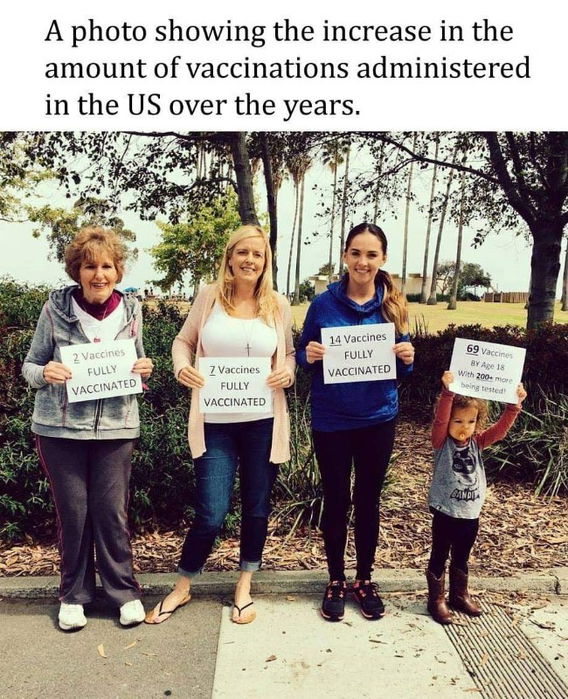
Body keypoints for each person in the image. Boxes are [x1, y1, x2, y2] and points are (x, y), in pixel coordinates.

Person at [145, 225, 295, 626]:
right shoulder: (209, 297)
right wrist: (181, 367)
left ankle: (244, 585)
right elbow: (183, 342)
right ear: (229, 257)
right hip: (215, 423)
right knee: (211, 511)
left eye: (258, 254)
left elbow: (289, 355)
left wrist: (287, 373)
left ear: (266, 262)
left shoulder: (277, 305)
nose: (250, 260)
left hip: (263, 421)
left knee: (256, 507)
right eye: (242, 252)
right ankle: (182, 585)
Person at [22, 227, 154, 631]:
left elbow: (139, 364)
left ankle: (123, 593)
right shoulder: (54, 310)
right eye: (90, 267)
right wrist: (46, 372)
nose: (99, 275)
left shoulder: (131, 309)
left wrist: (144, 369)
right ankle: (73, 596)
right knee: (74, 514)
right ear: (76, 271)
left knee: (111, 513)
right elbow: (30, 366)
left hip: (116, 429)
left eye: (107, 267)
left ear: (118, 271)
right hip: (60, 431)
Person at [296, 222, 415, 622]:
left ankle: (364, 578)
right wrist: (309, 355)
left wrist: (407, 359)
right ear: (345, 255)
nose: (363, 262)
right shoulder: (323, 305)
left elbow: (401, 370)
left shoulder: (393, 304)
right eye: (356, 253)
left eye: (371, 255)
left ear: (383, 259)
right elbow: (301, 353)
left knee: (368, 501)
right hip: (332, 420)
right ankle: (335, 579)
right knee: (336, 500)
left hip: (377, 418)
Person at [426, 370, 527, 624]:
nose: (464, 427)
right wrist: (448, 393)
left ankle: (459, 595)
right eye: (458, 421)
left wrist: (513, 407)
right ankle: (436, 600)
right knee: (440, 553)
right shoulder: (441, 443)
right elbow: (440, 420)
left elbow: (500, 431)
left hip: (470, 511)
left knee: (462, 554)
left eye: (470, 422)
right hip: (445, 510)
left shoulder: (477, 442)